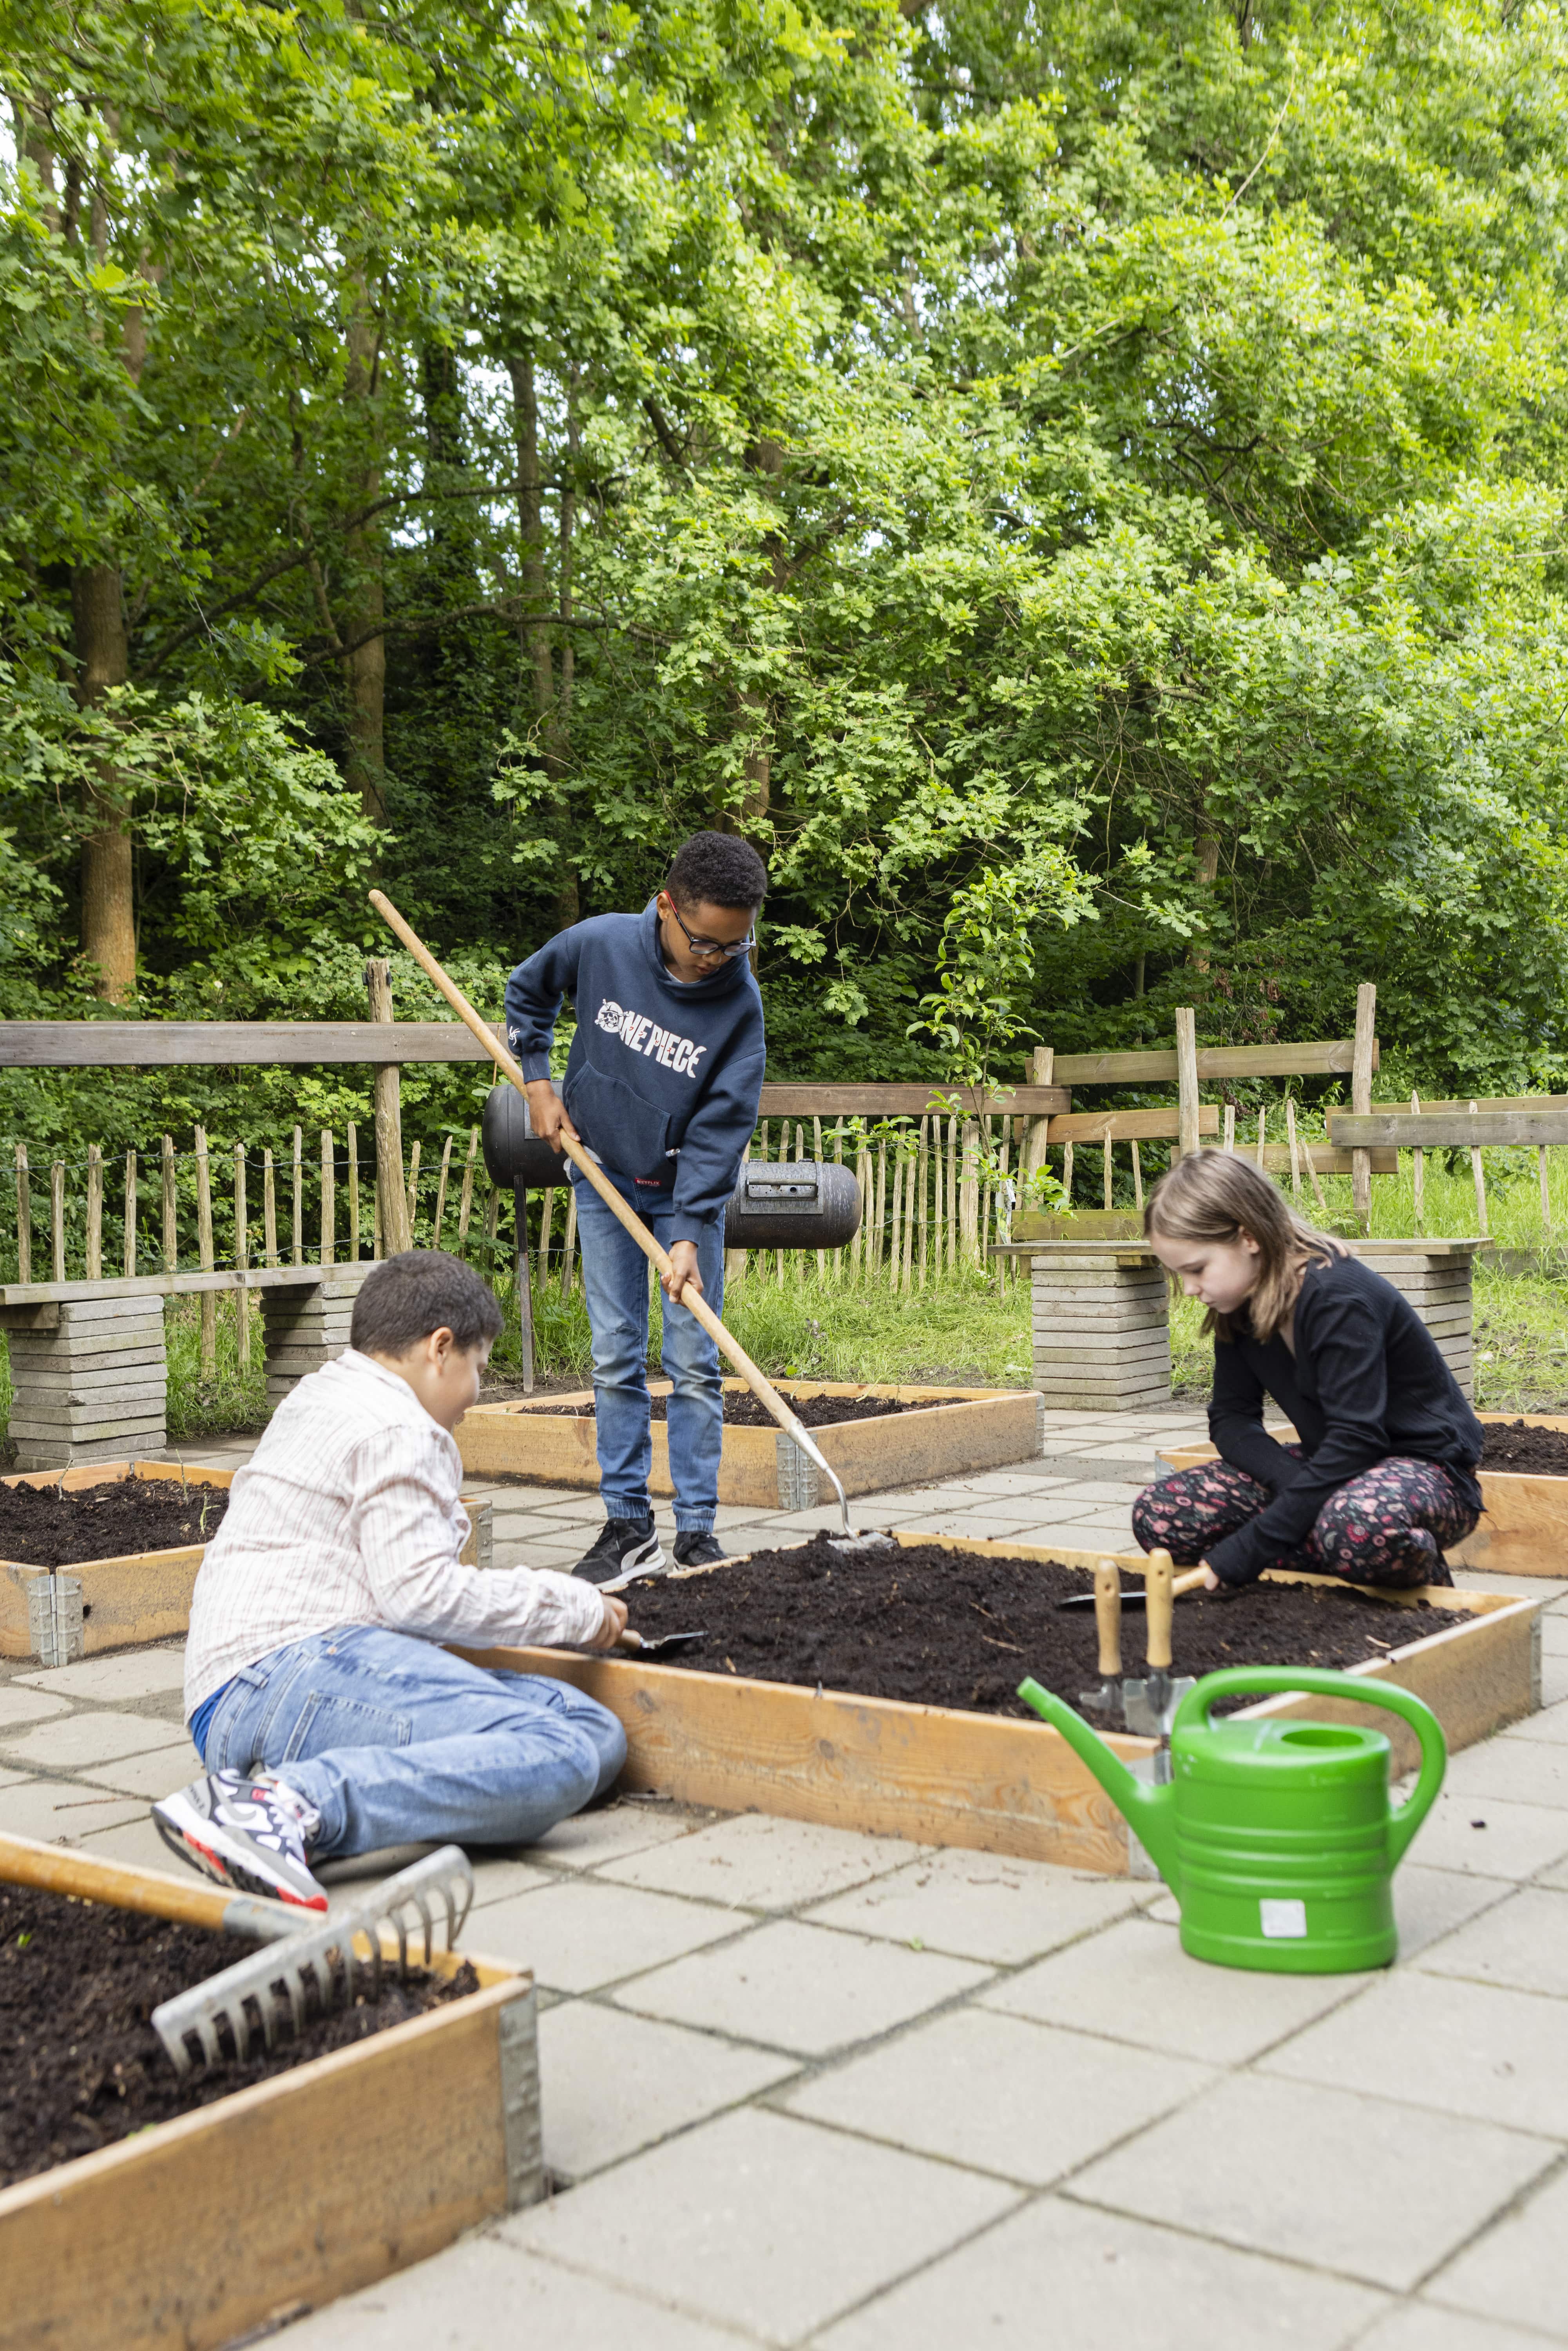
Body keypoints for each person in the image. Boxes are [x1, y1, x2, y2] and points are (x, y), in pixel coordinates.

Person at [154, 1251, 628, 1913]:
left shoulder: (328, 1392)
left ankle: (286, 1781)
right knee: (563, 1758)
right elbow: (420, 1596)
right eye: (479, 1368)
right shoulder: (399, 1427)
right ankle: (286, 1806)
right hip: (292, 1670)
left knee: (592, 1735)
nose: (476, 1393)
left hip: (252, 1687)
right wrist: (573, 1607)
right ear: (441, 1348)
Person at [505, 830, 768, 1586]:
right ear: (665, 907)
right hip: (603, 1175)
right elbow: (528, 994)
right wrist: (538, 1082)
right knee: (616, 1353)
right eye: (705, 943)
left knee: (694, 1362)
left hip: (687, 1196)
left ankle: (695, 1533)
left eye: (736, 945)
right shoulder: (600, 946)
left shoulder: (737, 1006)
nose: (718, 958)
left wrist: (689, 1231)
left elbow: (723, 1129)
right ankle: (627, 1526)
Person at [1134, 1150, 1483, 1590]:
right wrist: (1294, 1485)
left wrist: (1251, 1546)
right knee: (1161, 1515)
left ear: (1249, 1238)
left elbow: (1357, 1439)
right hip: (1336, 1465)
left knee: (1359, 1527)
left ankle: (1412, 1569)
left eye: (1197, 1269)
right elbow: (1232, 1420)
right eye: (1178, 1275)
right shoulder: (1238, 1306)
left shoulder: (1337, 1298)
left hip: (1427, 1471)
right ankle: (1333, 1545)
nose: (1189, 1289)